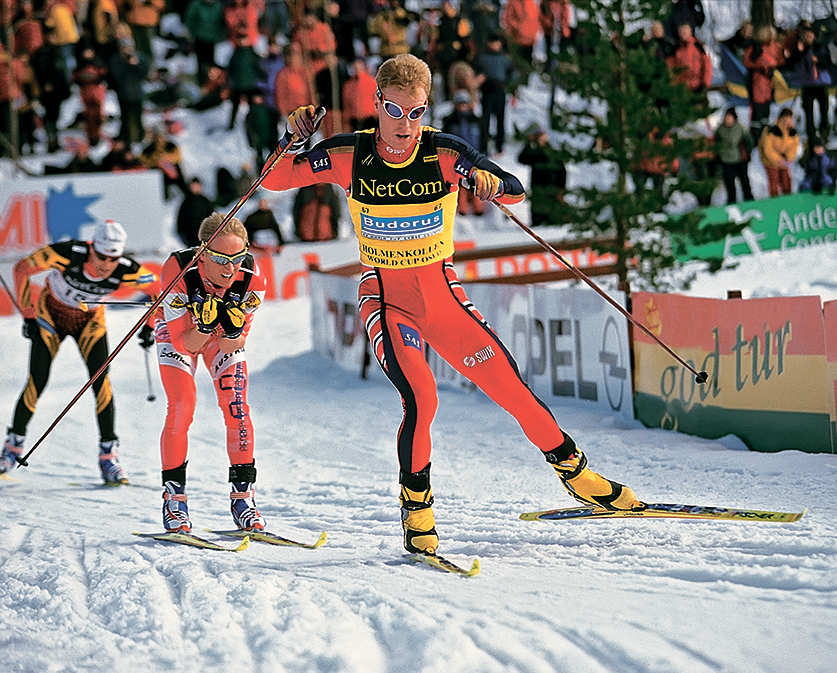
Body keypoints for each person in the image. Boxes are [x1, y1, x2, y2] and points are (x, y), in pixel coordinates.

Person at [261, 53, 642, 557]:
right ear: (377, 105)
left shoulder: (443, 153)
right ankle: (416, 509)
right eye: (394, 111)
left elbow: (514, 189)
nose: (405, 125)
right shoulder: (350, 155)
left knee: (514, 392)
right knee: (423, 397)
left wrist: (490, 184)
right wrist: (291, 137)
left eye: (416, 113)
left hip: (443, 300)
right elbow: (272, 179)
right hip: (388, 301)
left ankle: (579, 476)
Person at [0, 220, 158, 484]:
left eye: (114, 258)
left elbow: (161, 291)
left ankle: (109, 457)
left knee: (101, 384)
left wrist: (149, 327)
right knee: (37, 380)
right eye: (101, 256)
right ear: (91, 247)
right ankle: (12, 449)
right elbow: (22, 269)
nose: (106, 264)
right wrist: (29, 316)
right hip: (50, 318)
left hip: (89, 323)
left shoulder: (128, 270)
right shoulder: (68, 253)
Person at [153, 212, 268, 533]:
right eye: (220, 258)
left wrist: (232, 330)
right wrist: (204, 324)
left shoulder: (252, 278)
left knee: (237, 407)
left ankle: (243, 498)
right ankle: (174, 501)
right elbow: (185, 344)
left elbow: (236, 344)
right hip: (183, 331)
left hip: (217, 336)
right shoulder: (177, 270)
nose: (231, 268)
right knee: (182, 405)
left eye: (238, 257)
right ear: (202, 253)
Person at [442, 89, 485, 216]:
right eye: (460, 105)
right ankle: (462, 207)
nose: (462, 107)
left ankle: (478, 206)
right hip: (457, 158)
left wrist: (483, 154)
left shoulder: (477, 121)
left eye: (465, 104)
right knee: (461, 183)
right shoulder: (450, 121)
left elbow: (483, 139)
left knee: (476, 182)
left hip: (474, 157)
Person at [516, 123, 568, 226]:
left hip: (553, 194)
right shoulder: (534, 154)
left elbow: (562, 172)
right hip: (538, 195)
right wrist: (528, 142)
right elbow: (521, 159)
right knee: (538, 224)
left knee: (553, 224)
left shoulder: (555, 153)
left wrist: (561, 190)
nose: (541, 139)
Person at [713, 107, 754, 204]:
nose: (727, 119)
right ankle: (732, 203)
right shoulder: (720, 129)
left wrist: (747, 152)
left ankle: (749, 201)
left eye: (729, 117)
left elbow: (749, 141)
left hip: (740, 160)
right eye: (726, 117)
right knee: (730, 185)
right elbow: (716, 143)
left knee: (745, 183)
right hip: (726, 161)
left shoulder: (740, 128)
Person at [759, 107, 799, 197]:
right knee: (774, 180)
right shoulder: (771, 130)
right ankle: (774, 201)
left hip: (784, 161)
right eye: (784, 118)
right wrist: (777, 159)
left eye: (788, 118)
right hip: (770, 160)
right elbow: (767, 148)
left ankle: (787, 200)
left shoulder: (792, 132)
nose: (786, 121)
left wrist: (789, 157)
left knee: (786, 180)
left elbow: (794, 147)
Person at [176, 177, 215, 247]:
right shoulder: (186, 202)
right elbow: (181, 221)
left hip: (205, 236)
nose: (196, 188)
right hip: (190, 237)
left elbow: (213, 217)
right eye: (193, 186)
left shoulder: (205, 201)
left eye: (197, 186)